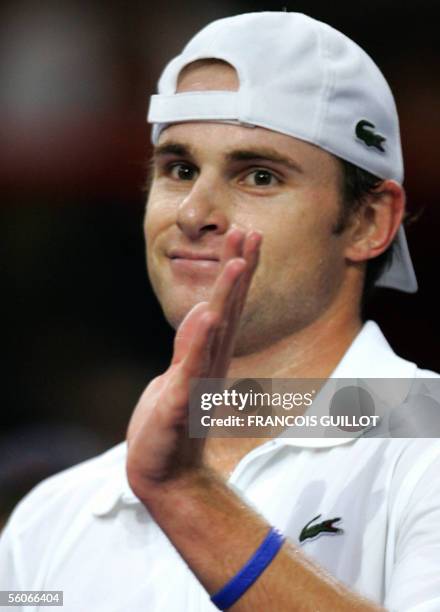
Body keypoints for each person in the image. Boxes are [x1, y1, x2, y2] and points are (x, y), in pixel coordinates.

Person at [1, 11, 439, 612]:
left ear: (369, 222)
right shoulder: (51, 520)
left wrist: (184, 495)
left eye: (258, 176)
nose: (194, 212)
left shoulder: (428, 446)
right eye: (179, 170)